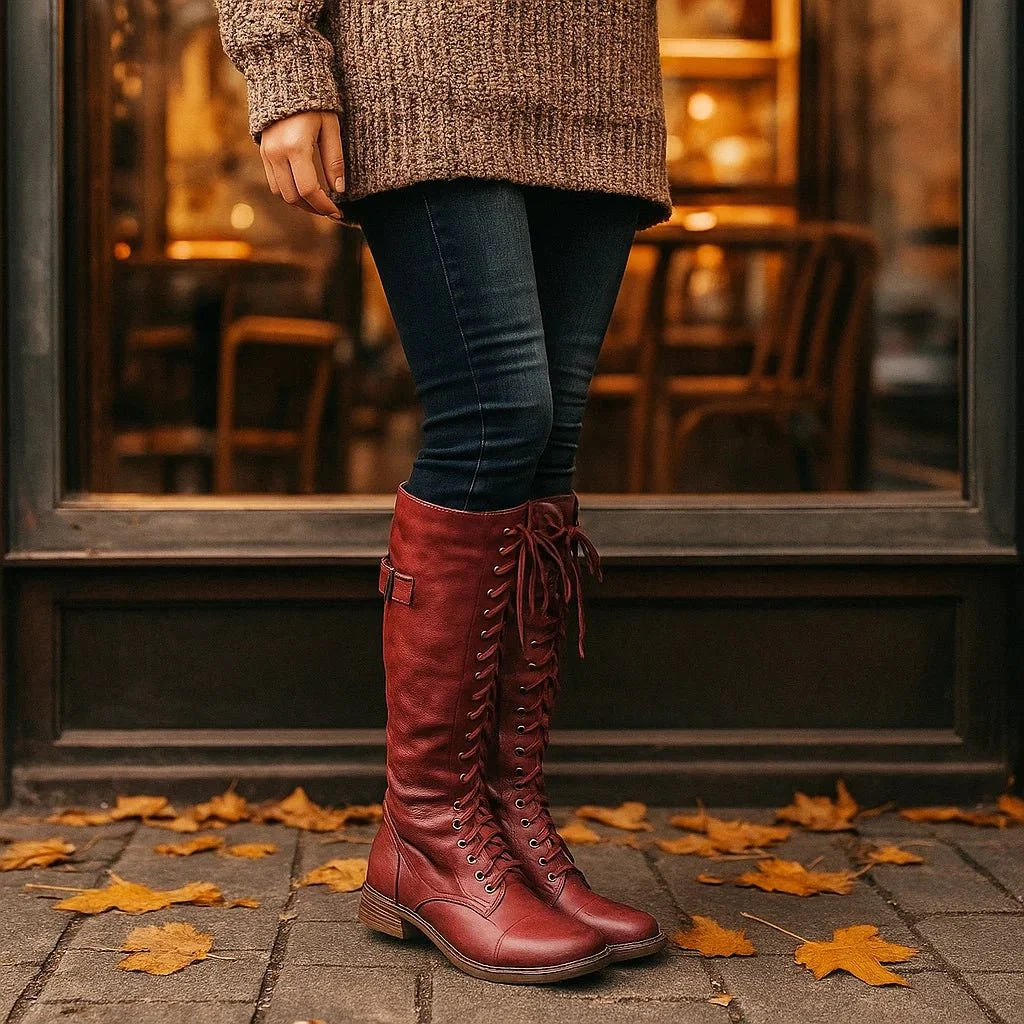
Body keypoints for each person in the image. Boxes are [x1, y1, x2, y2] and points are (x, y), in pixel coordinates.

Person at [215, 0, 672, 985]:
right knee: (495, 419)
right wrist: (283, 66)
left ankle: (506, 819)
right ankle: (428, 832)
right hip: (423, 64)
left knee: (546, 449)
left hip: (599, 78)